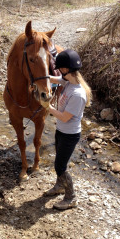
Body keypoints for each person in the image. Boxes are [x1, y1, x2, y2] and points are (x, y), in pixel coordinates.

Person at [44, 49, 92, 210]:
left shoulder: (78, 94)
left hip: (70, 134)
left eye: (60, 68)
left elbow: (64, 117)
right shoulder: (68, 81)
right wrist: (41, 77)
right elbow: (55, 78)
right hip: (61, 131)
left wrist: (47, 106)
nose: (60, 71)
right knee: (59, 160)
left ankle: (71, 197)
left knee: (60, 166)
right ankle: (59, 186)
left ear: (65, 69)